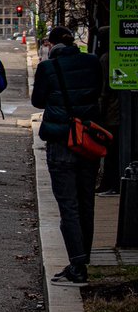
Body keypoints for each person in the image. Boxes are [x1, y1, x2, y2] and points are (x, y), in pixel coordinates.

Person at [32, 25, 104, 286]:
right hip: (87, 141)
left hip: (61, 141)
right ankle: (84, 259)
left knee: (68, 205)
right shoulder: (92, 62)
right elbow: (98, 92)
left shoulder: (48, 68)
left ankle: (77, 264)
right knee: (87, 201)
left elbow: (38, 101)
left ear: (51, 45)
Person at [96, 25, 121, 196]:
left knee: (110, 152)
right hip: (120, 111)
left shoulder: (106, 59)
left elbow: (104, 90)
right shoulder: (118, 56)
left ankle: (111, 183)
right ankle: (109, 183)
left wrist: (100, 112)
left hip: (112, 113)